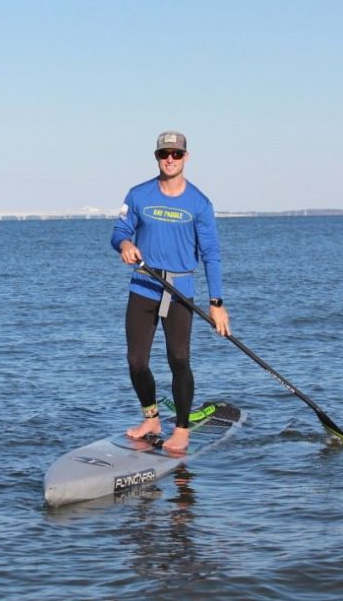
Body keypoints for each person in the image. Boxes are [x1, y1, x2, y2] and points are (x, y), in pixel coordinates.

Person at [110, 131, 229, 452]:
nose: (170, 159)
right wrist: (125, 243)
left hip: (180, 290)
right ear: (157, 157)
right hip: (144, 285)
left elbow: (211, 254)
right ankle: (151, 418)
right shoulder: (138, 195)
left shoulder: (200, 204)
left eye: (177, 154)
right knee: (136, 361)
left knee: (179, 359)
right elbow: (119, 231)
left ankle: (182, 430)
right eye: (165, 154)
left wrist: (216, 302)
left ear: (186, 157)